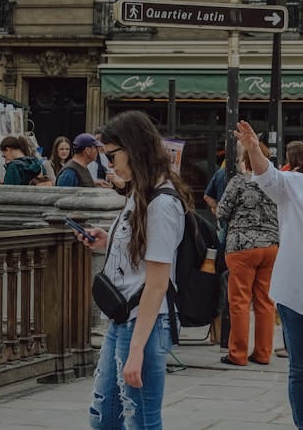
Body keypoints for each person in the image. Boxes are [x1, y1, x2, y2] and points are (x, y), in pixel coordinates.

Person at [75, 110, 187, 429]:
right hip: (124, 319)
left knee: (140, 420)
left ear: (133, 148)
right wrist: (107, 239)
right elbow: (143, 246)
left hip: (144, 325)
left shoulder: (162, 203)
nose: (110, 164)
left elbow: (156, 284)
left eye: (112, 155)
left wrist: (136, 351)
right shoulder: (141, 190)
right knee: (105, 416)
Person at [238, 125, 303, 429]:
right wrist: (253, 148)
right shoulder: (299, 184)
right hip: (297, 289)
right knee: (300, 368)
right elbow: (268, 176)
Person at [216, 141, 280, 367]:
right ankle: (263, 353)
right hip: (271, 246)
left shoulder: (240, 181)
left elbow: (222, 210)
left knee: (240, 301)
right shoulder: (276, 182)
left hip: (242, 246)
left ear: (246, 160)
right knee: (265, 301)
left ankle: (238, 353)